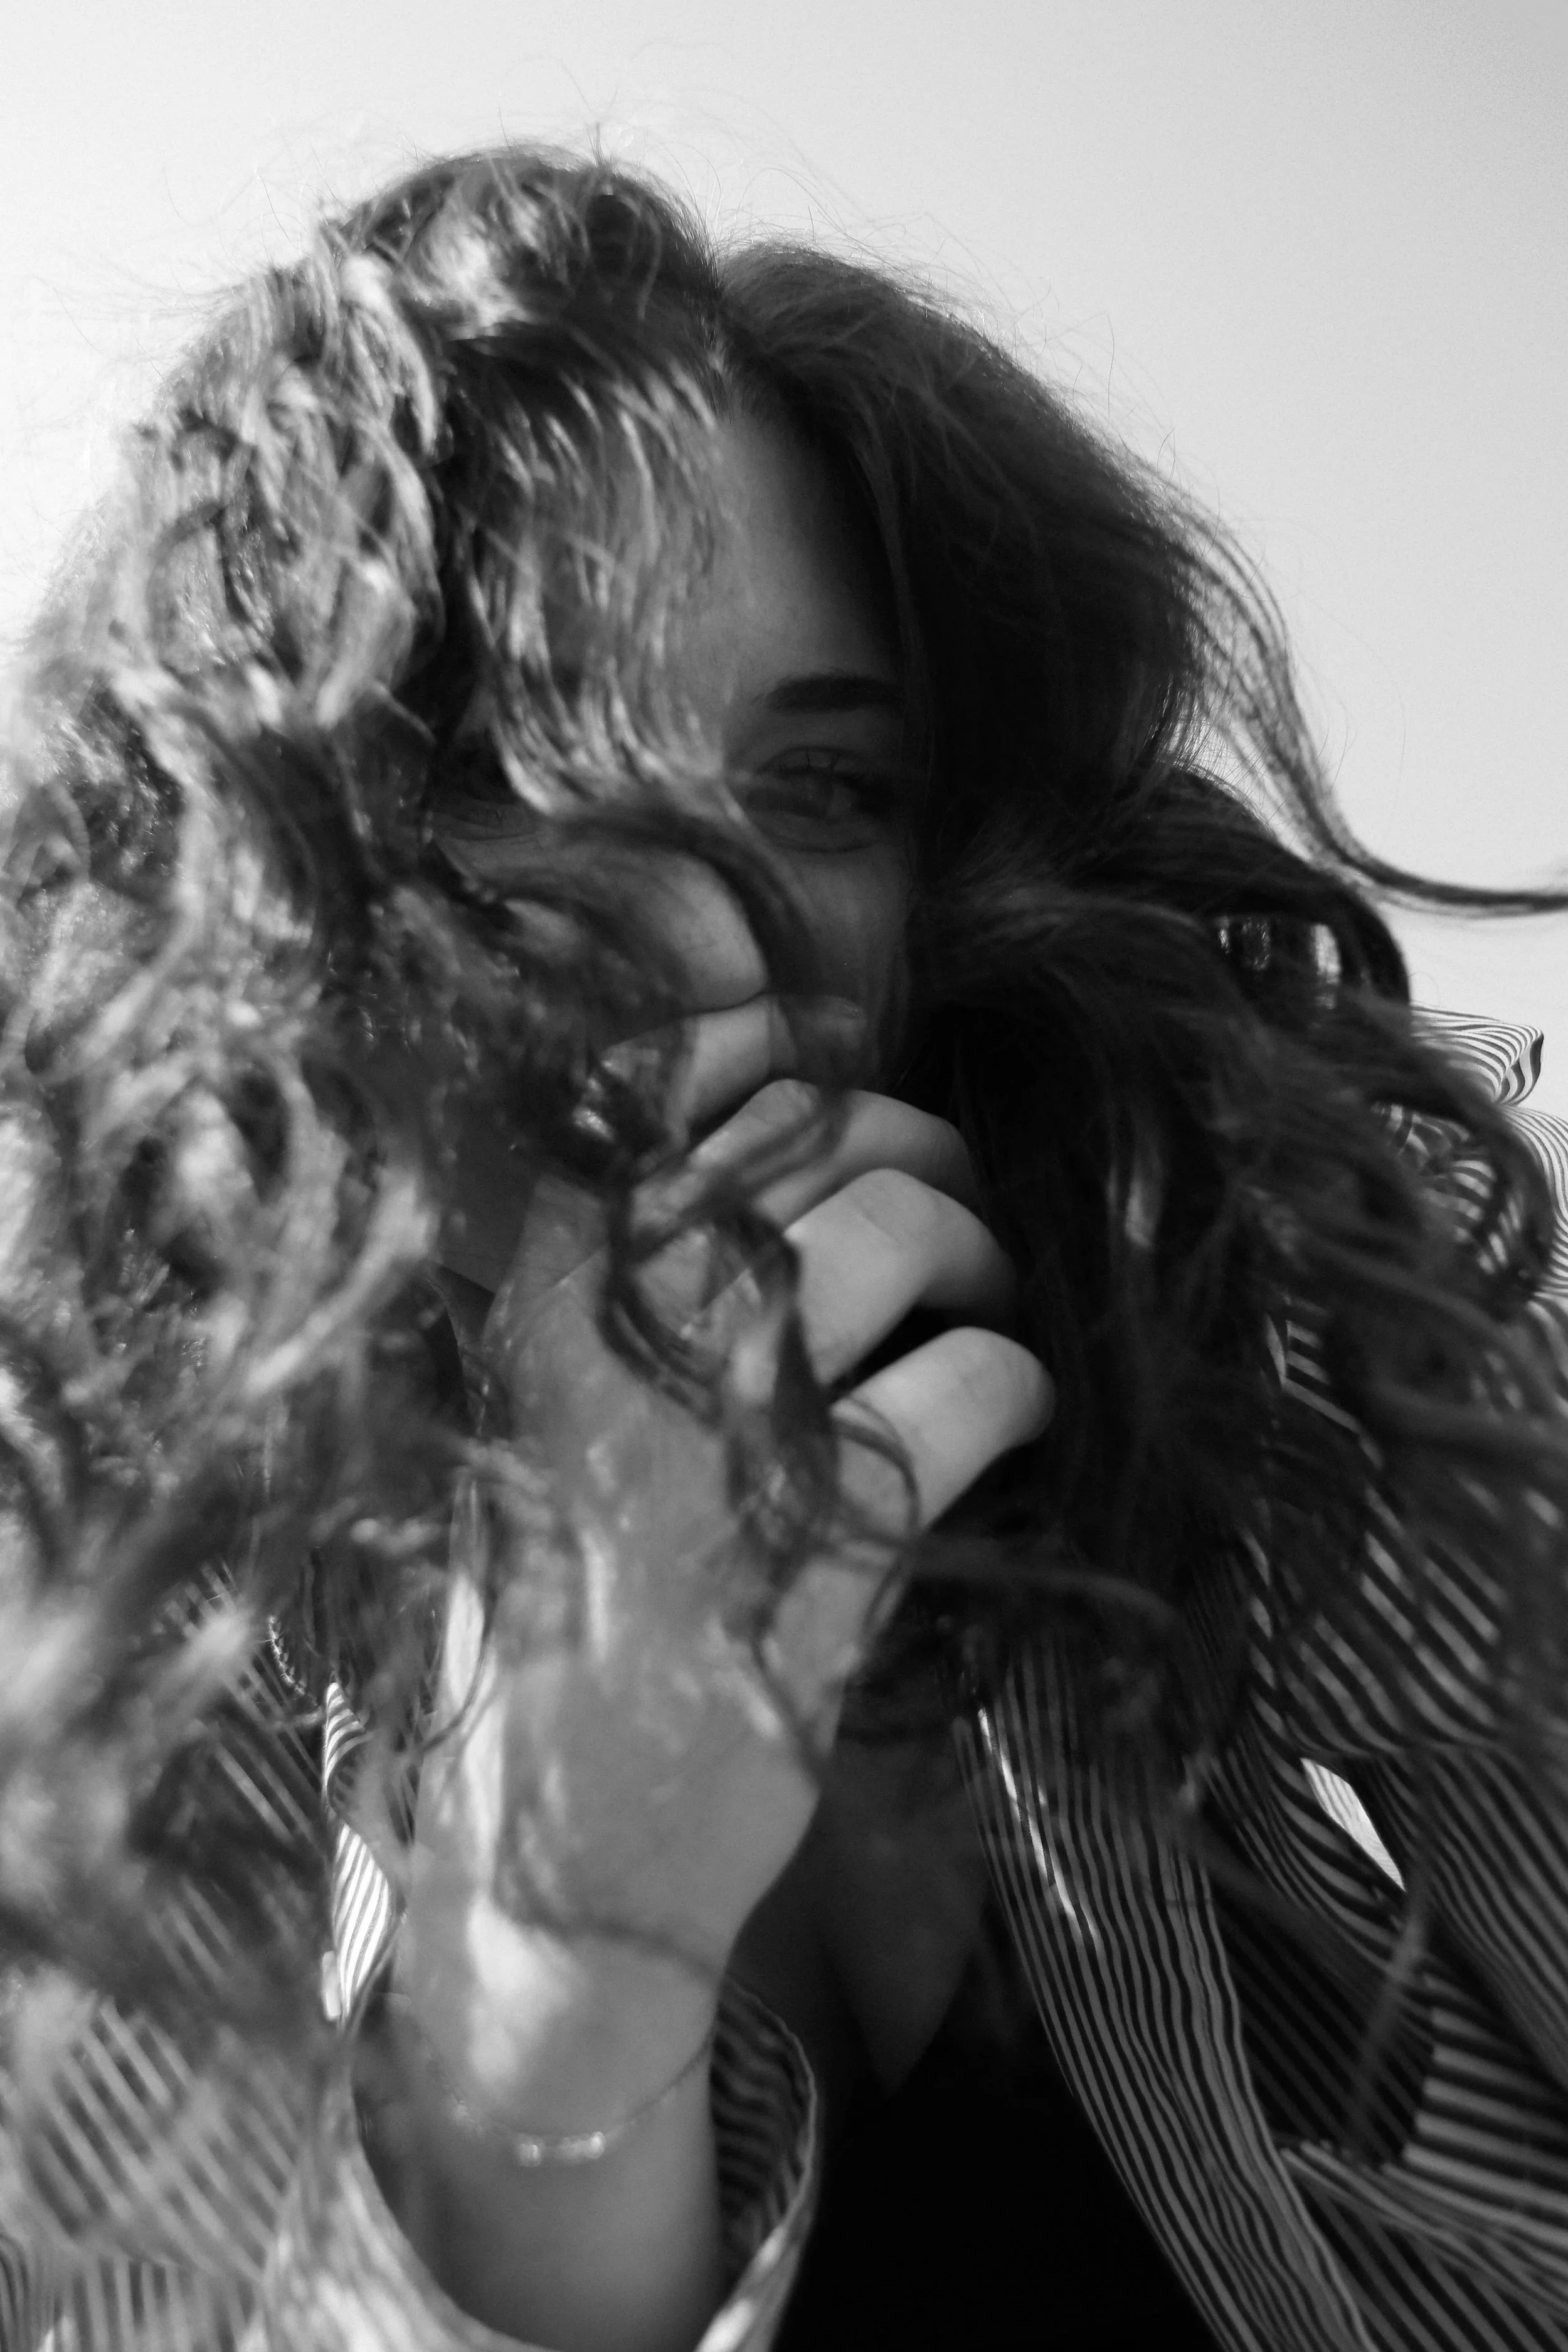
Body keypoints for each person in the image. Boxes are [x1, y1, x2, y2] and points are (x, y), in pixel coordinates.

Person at [2, 142, 1567, 2352]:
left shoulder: (1246, 1326)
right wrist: (560, 1954)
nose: (701, 926)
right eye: (522, 775)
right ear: (267, 878)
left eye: (823, 790)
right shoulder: (115, 1667)